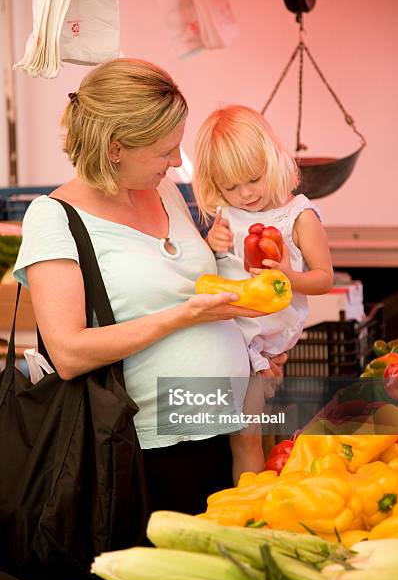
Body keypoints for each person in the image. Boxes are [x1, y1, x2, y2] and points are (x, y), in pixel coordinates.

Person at [14, 60, 289, 531]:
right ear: (115, 148)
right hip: (142, 451)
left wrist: (256, 331)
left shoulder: (166, 194)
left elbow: (196, 286)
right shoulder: (53, 217)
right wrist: (183, 318)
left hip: (227, 426)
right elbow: (69, 353)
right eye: (166, 150)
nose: (178, 162)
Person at [192, 105, 334, 482]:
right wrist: (212, 243)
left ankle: (249, 510)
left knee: (246, 438)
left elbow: (323, 278)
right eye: (231, 187)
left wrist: (290, 276)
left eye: (252, 179)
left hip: (262, 343)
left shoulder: (298, 216)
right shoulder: (226, 215)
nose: (246, 193)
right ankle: (243, 502)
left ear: (272, 160)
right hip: (225, 334)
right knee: (233, 434)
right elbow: (217, 270)